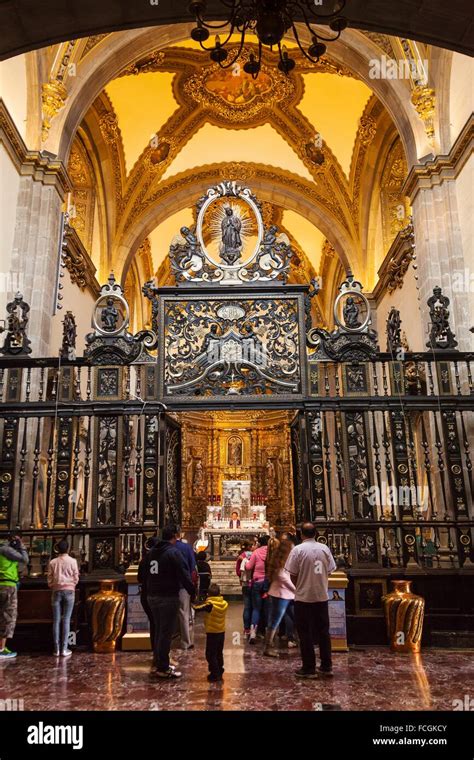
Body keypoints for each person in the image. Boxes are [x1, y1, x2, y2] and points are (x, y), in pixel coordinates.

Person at [285, 522, 336, 679]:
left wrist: (300, 585)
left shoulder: (297, 550)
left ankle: (309, 668)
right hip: (321, 596)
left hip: (303, 597)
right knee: (323, 632)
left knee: (305, 633)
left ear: (301, 534)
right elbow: (330, 570)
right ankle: (326, 666)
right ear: (315, 533)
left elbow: (292, 573)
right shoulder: (324, 549)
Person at [144, 525, 195, 679]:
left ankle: (157, 662)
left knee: (158, 629)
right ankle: (163, 667)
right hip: (168, 596)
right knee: (166, 633)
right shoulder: (173, 553)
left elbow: (143, 573)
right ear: (174, 535)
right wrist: (192, 592)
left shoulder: (151, 552)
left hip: (152, 595)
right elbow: (184, 574)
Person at [47, 540, 79, 657]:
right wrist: (72, 585)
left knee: (56, 620)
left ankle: (56, 649)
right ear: (68, 549)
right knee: (66, 619)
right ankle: (64, 648)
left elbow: (49, 577)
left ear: (57, 549)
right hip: (69, 590)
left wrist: (53, 585)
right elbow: (76, 576)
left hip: (56, 591)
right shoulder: (73, 561)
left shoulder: (53, 562)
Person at [264, 539, 295, 657]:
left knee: (294, 618)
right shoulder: (280, 563)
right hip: (280, 595)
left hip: (287, 594)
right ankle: (268, 646)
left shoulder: (284, 560)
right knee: (274, 621)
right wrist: (297, 590)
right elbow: (283, 577)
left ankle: (299, 641)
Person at [0, 535, 28, 659]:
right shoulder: (6, 549)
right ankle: (1, 649)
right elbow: (25, 559)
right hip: (8, 584)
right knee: (8, 616)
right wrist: (21, 545)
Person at [193, 583, 228, 682]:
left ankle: (214, 673)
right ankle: (220, 670)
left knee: (210, 654)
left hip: (212, 632)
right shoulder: (224, 603)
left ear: (208, 594)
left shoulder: (210, 605)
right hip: (221, 632)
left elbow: (197, 608)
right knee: (218, 653)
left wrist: (192, 603)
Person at [175, 526, 197, 650]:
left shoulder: (165, 547)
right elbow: (192, 567)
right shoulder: (186, 547)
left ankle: (168, 639)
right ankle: (186, 641)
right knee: (184, 612)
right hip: (183, 584)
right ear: (180, 534)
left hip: (168, 585)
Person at [245, 534, 270, 644]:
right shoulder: (272, 552)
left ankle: (253, 632)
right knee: (268, 609)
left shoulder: (256, 552)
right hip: (269, 583)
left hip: (257, 581)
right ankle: (268, 634)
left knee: (256, 608)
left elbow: (249, 567)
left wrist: (245, 562)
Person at [137, 536, 159, 661]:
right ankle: (160, 653)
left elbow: (139, 578)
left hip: (146, 594)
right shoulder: (163, 558)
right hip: (159, 594)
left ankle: (154, 650)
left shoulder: (144, 560)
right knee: (161, 625)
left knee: (153, 624)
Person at [236, 541, 252, 635]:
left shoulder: (242, 555)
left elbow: (238, 569)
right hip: (255, 582)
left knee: (247, 606)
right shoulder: (256, 553)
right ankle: (255, 627)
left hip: (246, 582)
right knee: (255, 607)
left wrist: (240, 577)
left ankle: (246, 628)